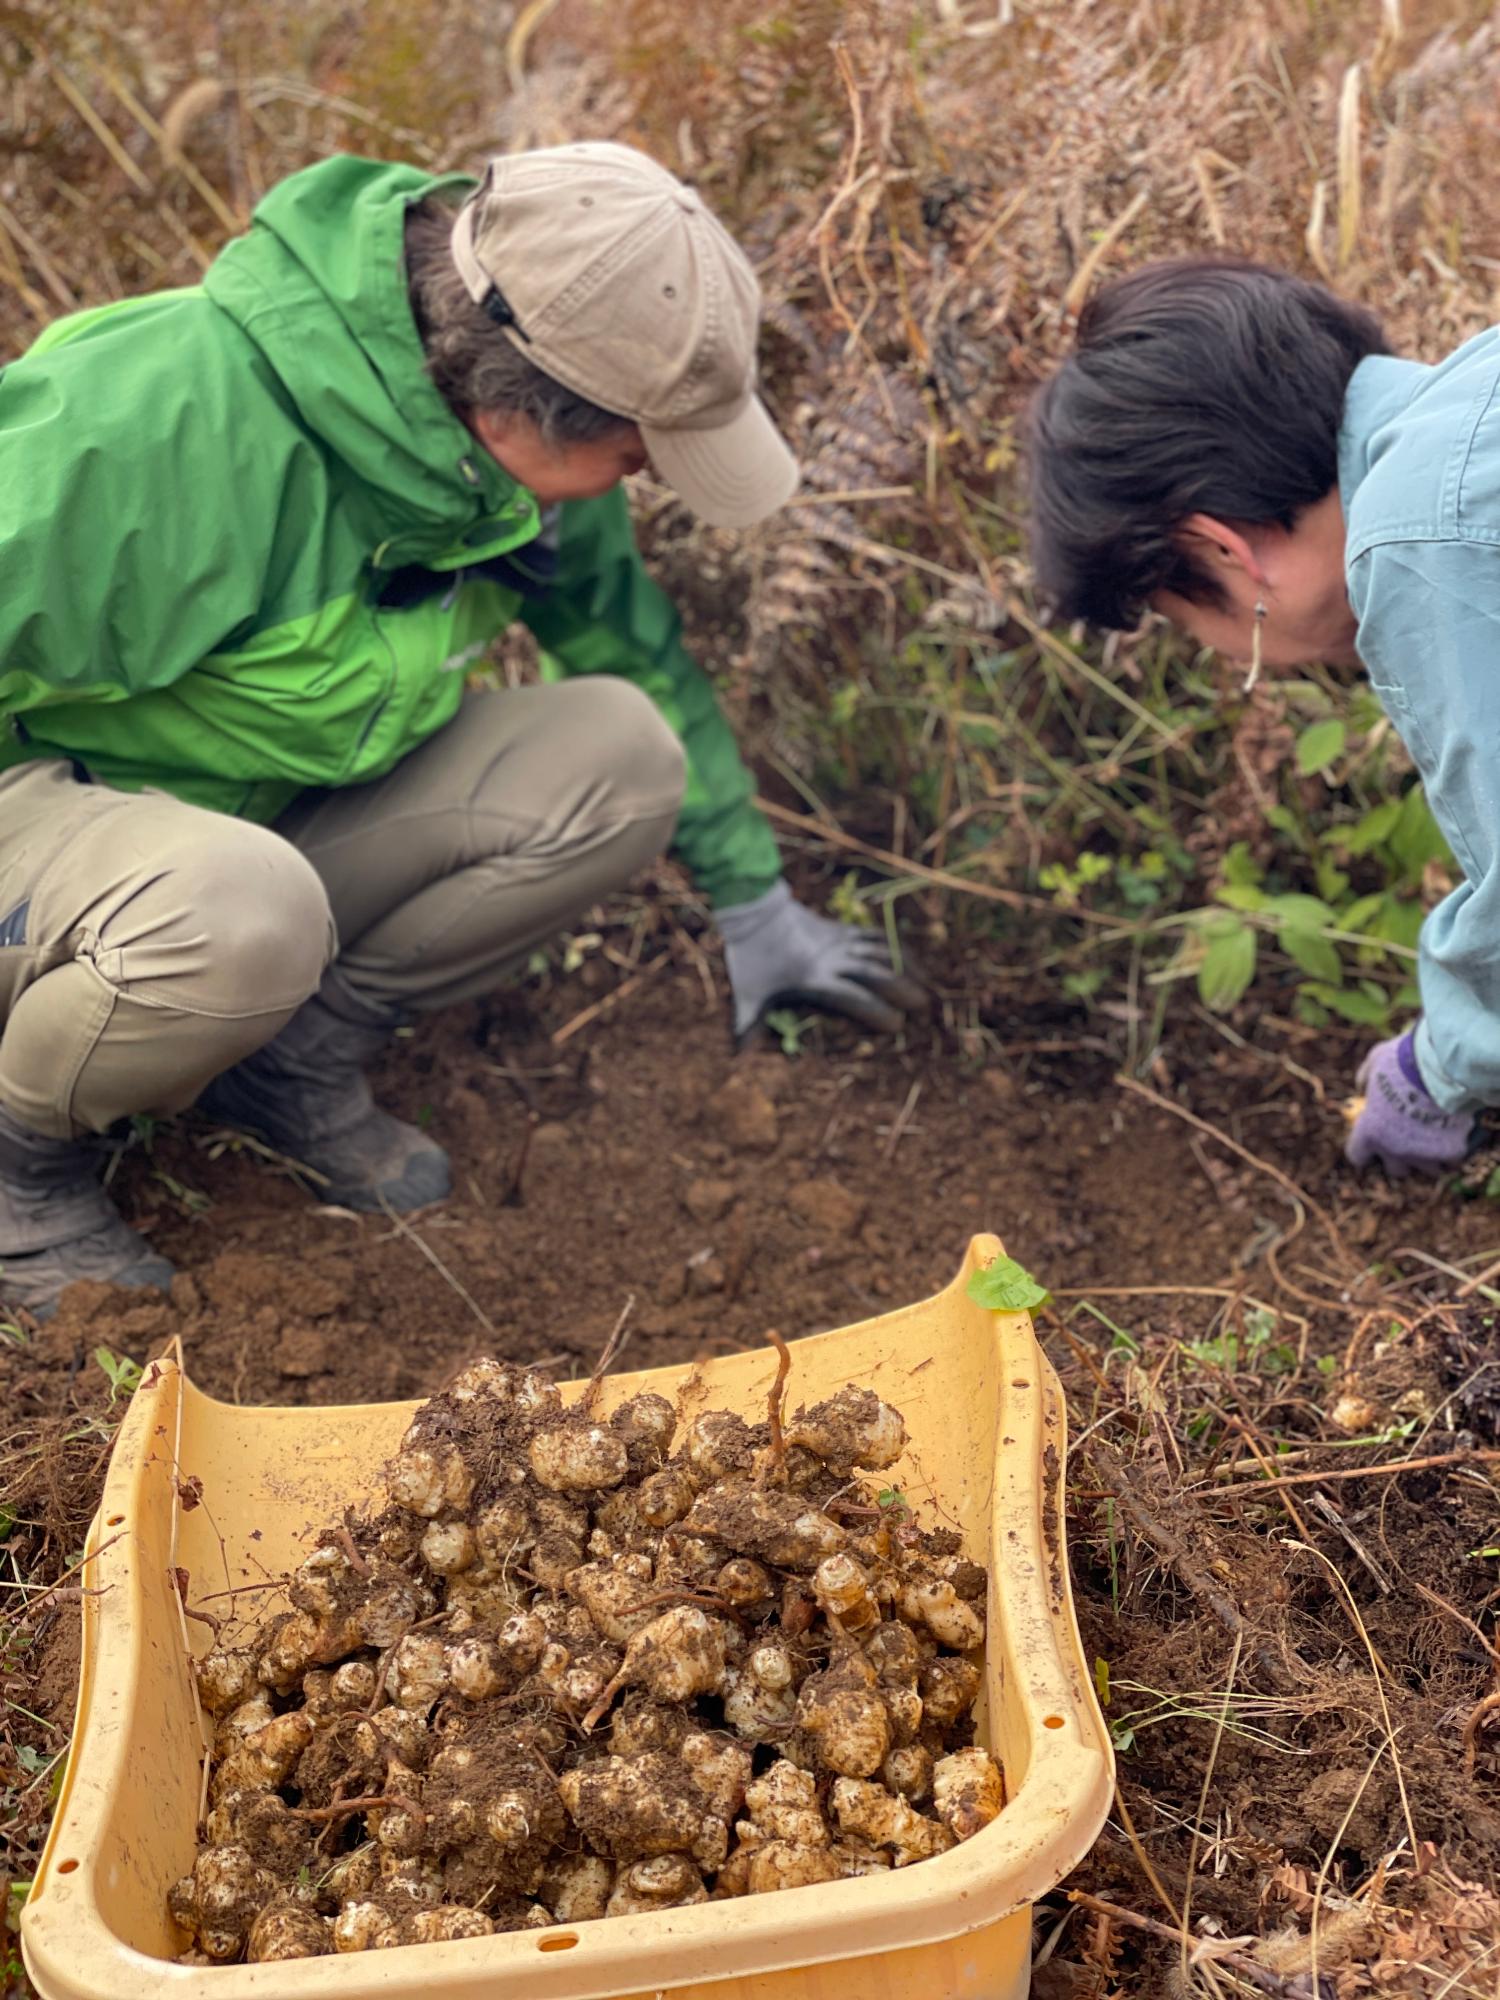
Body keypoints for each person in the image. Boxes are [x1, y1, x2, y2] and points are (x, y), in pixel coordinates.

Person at [0, 142, 923, 1318]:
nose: (636, 481)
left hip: (237, 826)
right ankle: (19, 1169)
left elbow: (636, 658)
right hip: (51, 826)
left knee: (621, 754)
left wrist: (753, 898)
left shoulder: (509, 483)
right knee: (239, 911)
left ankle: (280, 1062)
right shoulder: (142, 432)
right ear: (511, 407)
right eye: (635, 453)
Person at [1025, 256, 1500, 1180]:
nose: (1213, 648)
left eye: (1182, 618)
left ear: (1220, 550)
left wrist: (1441, 1069)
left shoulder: (1418, 542)